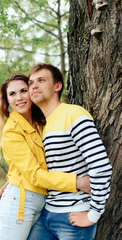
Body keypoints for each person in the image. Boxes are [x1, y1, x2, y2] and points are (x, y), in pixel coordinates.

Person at [0, 73, 91, 240]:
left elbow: (44, 162)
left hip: (41, 202)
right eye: (12, 94)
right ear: (6, 100)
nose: (19, 97)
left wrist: (12, 179)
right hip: (20, 202)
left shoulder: (42, 122)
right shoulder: (12, 130)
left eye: (23, 90)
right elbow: (34, 174)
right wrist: (76, 182)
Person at [27, 63, 112, 240]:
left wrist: (93, 214)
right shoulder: (43, 126)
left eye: (41, 80)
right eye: (30, 82)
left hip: (73, 216)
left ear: (57, 86)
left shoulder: (73, 114)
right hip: (46, 214)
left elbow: (101, 166)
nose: (34, 85)